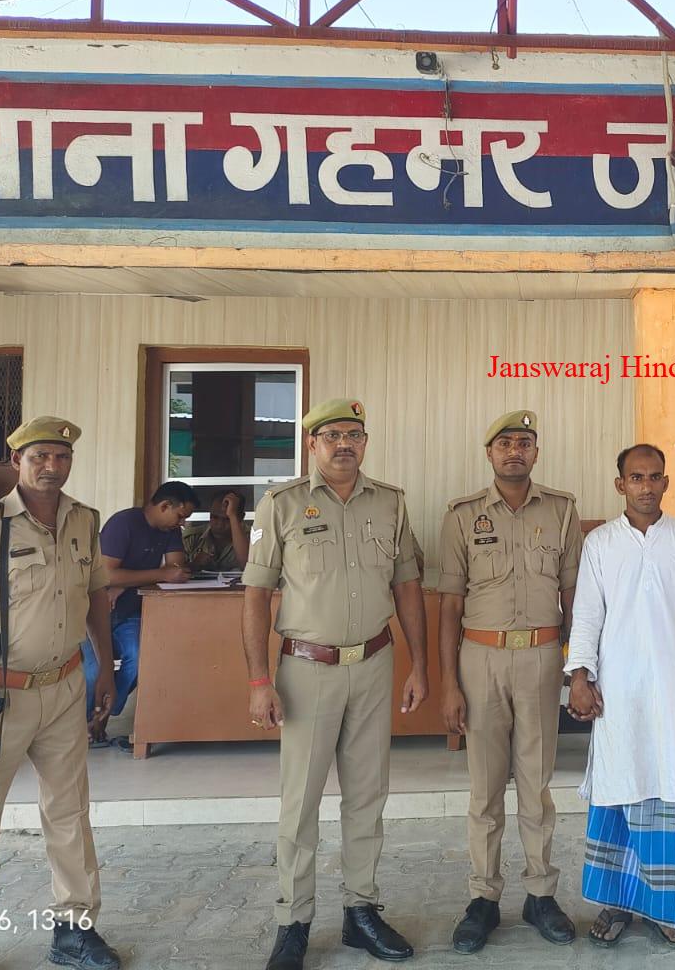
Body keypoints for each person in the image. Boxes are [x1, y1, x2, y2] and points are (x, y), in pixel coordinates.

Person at [0, 417, 123, 970]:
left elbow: (96, 595)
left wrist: (104, 669)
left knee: (70, 812)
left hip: (64, 687)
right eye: (40, 456)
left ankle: (74, 930)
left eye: (61, 457)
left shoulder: (84, 520)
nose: (52, 467)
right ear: (17, 462)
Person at [243, 398, 428, 970]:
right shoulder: (281, 504)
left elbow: (407, 585)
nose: (344, 444)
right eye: (332, 435)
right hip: (307, 669)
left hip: (374, 663)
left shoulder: (390, 503)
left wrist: (420, 664)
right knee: (300, 802)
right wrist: (259, 679)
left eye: (354, 434)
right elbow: (256, 595)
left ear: (365, 442)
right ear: (312, 444)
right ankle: (293, 921)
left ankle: (360, 910)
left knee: (367, 795)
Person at [438, 410, 582, 953]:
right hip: (481, 660)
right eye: (505, 444)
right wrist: (449, 683)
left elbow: (576, 597)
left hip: (542, 658)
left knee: (536, 786)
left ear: (536, 453)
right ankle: (484, 897)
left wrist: (578, 668)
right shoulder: (462, 516)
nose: (515, 451)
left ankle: (540, 894)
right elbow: (449, 606)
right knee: (485, 788)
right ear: (490, 454)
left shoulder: (561, 510)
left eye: (524, 443)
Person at [564, 444, 675, 948]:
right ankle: (616, 904)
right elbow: (587, 614)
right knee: (619, 788)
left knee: (667, 788)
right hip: (619, 694)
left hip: (674, 693)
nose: (646, 486)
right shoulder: (601, 543)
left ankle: (666, 909)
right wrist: (580, 677)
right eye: (636, 477)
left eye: (654, 477)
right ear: (621, 485)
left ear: (666, 483)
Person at [80, 480, 198, 744]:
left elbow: (177, 570)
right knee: (94, 671)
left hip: (130, 612)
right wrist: (156, 574)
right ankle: (84, 723)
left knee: (140, 659)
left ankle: (101, 717)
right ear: (164, 506)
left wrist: (126, 582)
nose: (182, 524)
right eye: (180, 516)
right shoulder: (124, 523)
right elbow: (106, 575)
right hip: (94, 612)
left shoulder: (170, 530)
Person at [184, 487, 250, 574]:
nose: (219, 524)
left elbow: (248, 566)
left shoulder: (252, 538)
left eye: (227, 519)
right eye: (214, 517)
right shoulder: (192, 537)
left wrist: (232, 515)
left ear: (241, 518)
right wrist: (194, 564)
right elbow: (176, 572)